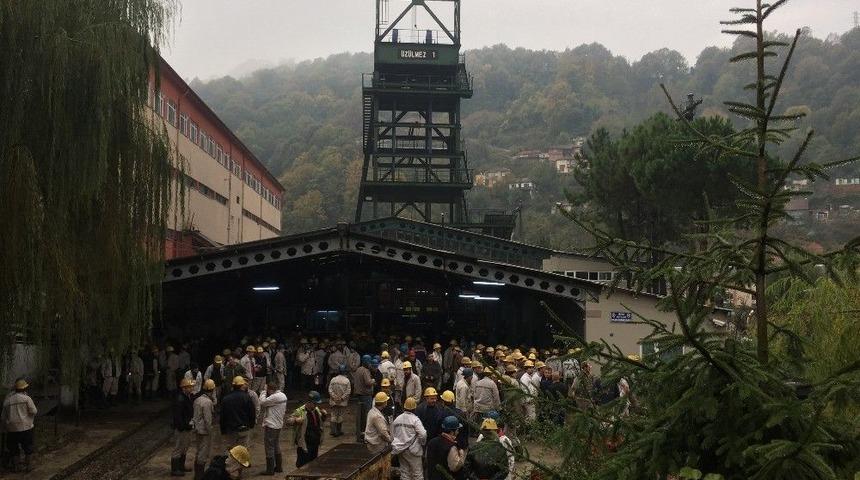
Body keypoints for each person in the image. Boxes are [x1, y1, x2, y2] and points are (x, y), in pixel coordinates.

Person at [1, 379, 37, 473]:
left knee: (13, 448)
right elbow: (34, 411)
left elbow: (3, 417)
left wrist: (5, 427)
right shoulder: (27, 398)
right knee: (28, 447)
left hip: (12, 429)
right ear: (24, 389)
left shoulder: (8, 401)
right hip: (26, 427)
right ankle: (29, 466)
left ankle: (16, 467)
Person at [286, 391, 328, 468]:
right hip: (305, 443)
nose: (316, 405)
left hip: (315, 442)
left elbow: (320, 422)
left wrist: (324, 415)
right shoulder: (300, 411)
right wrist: (295, 420)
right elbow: (288, 421)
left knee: (313, 463)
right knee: (303, 465)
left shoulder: (316, 410)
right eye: (314, 403)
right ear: (309, 402)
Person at [391, 397, 426, 480]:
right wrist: (422, 443)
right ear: (414, 408)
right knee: (417, 474)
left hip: (400, 450)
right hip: (413, 451)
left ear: (404, 407)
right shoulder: (415, 420)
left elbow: (392, 434)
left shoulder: (397, 419)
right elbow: (423, 434)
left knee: (404, 474)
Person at [258, 381, 288, 476]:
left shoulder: (274, 397)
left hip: (271, 425)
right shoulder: (283, 395)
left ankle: (270, 470)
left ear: (270, 390)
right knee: (276, 445)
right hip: (278, 424)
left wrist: (263, 392)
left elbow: (262, 402)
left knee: (269, 447)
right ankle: (278, 467)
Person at [220, 376, 256, 451]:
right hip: (244, 429)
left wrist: (223, 430)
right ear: (242, 385)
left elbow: (222, 416)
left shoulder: (226, 399)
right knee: (243, 452)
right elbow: (252, 413)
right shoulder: (247, 397)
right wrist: (251, 425)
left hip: (231, 430)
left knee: (232, 452)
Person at [425, 416, 466, 480]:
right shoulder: (451, 447)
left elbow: (427, 458)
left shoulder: (432, 441)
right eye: (457, 430)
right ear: (452, 432)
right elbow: (455, 467)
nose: (458, 432)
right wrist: (461, 453)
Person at [171, 377, 196, 476]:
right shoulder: (180, 399)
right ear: (184, 388)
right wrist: (182, 427)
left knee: (184, 447)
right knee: (178, 448)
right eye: (190, 387)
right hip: (182, 428)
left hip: (187, 427)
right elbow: (177, 415)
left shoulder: (188, 396)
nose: (192, 388)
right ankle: (175, 469)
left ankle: (181, 466)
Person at [193, 379, 217, 479]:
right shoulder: (207, 402)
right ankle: (200, 476)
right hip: (204, 431)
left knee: (198, 451)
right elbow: (208, 420)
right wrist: (210, 432)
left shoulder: (197, 399)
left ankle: (197, 475)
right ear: (212, 390)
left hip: (197, 429)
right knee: (203, 454)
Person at [353, 355, 375, 441]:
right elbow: (368, 382)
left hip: (359, 395)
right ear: (366, 362)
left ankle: (359, 432)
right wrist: (373, 380)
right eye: (369, 362)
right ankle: (364, 433)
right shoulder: (365, 370)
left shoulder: (358, 369)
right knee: (366, 415)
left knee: (360, 415)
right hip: (365, 396)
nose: (370, 364)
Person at [328, 364, 351, 438]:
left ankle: (333, 431)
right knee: (340, 415)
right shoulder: (347, 380)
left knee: (333, 415)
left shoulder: (333, 379)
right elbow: (348, 391)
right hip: (342, 402)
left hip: (334, 401)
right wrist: (341, 398)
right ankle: (338, 431)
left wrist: (334, 397)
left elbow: (330, 390)